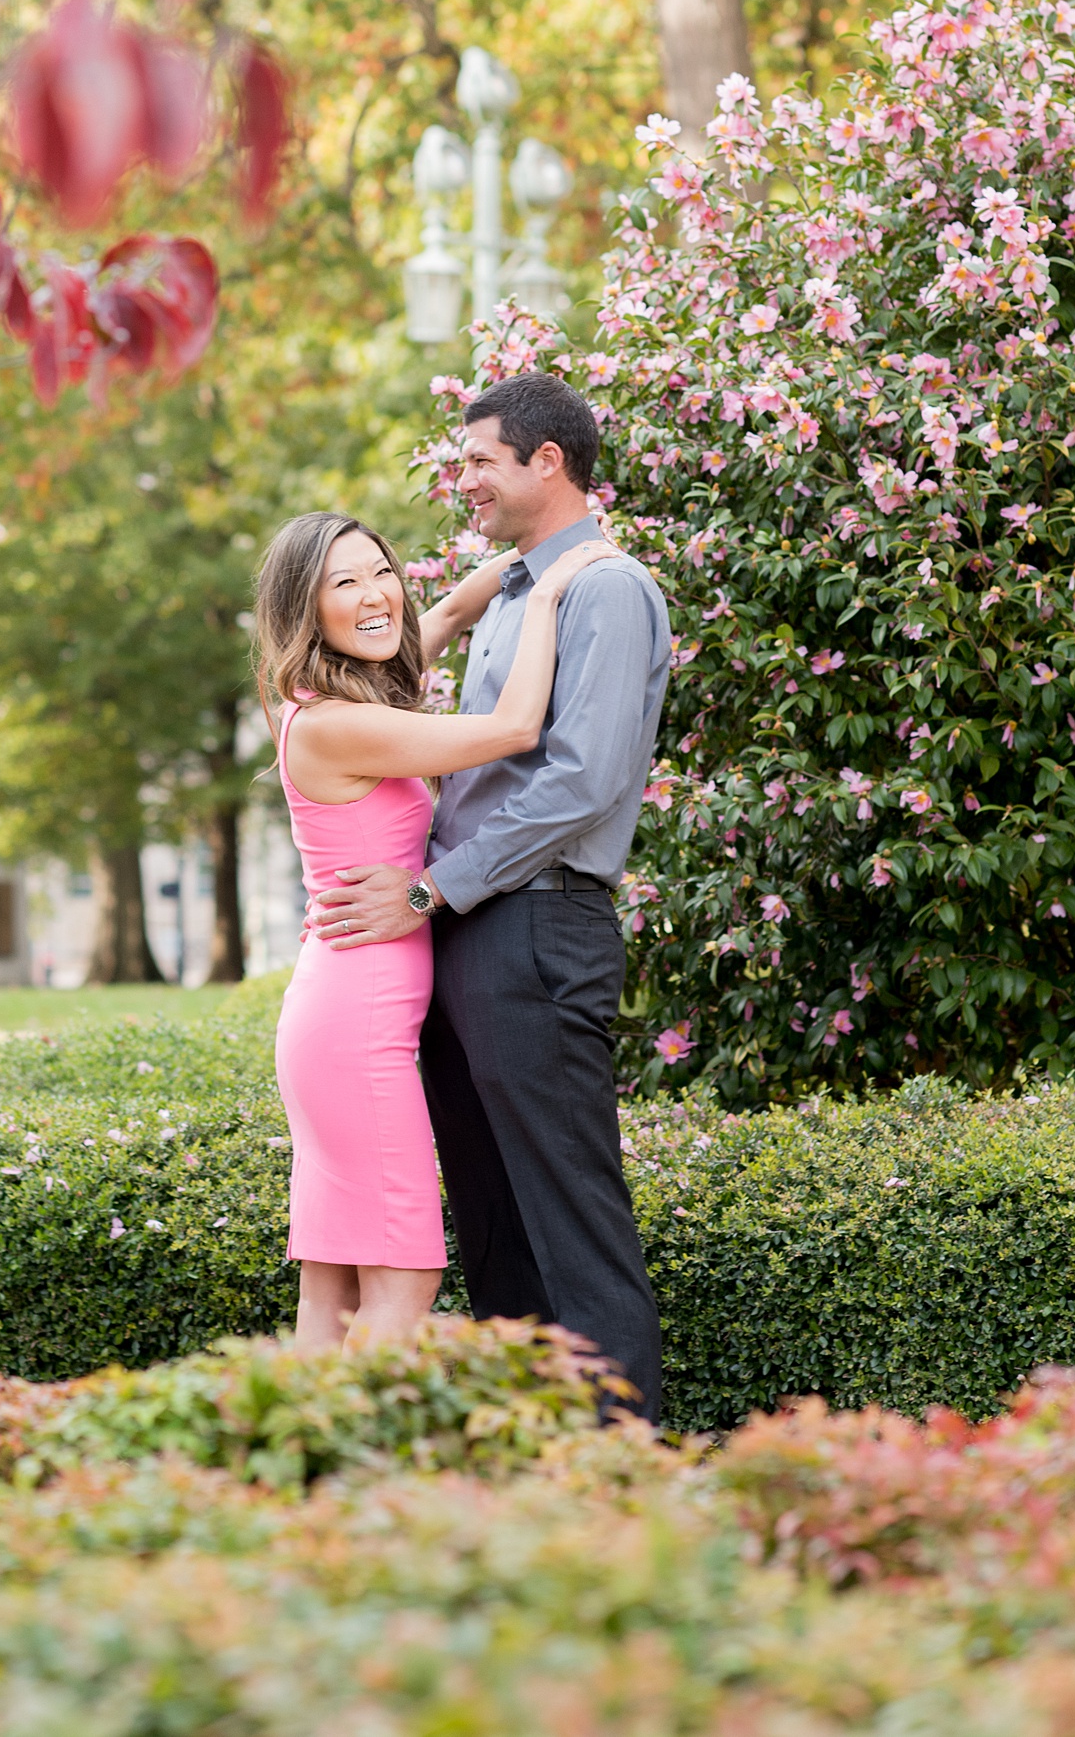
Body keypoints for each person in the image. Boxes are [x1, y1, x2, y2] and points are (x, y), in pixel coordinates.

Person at [310, 374, 669, 1422]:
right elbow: (381, 701)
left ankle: (617, 1468)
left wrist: (426, 888)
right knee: (493, 1217)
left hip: (538, 926)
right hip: (471, 931)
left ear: (544, 463)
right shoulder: (517, 590)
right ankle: (536, 1456)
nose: (458, 480)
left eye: (476, 462)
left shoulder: (604, 589)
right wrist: (469, 593)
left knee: (567, 1217)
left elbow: (580, 781)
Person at [253, 508, 609, 1351]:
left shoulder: (332, 703)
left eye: (382, 570)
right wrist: (553, 593)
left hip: (334, 1021)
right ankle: (361, 1474)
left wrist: (531, 555)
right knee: (405, 1277)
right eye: (344, 582)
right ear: (305, 607)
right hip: (357, 1033)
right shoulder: (341, 724)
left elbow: (442, 614)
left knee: (332, 1292)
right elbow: (515, 729)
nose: (375, 594)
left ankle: (290, 1475)